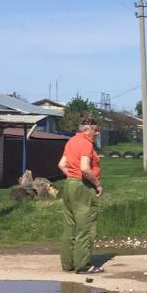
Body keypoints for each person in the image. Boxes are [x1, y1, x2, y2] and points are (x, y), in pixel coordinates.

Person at [58, 116, 104, 274]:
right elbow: (85, 168)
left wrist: (72, 176)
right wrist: (97, 184)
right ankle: (83, 265)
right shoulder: (86, 143)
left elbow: (61, 164)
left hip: (70, 184)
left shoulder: (71, 141)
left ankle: (68, 263)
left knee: (70, 225)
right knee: (85, 226)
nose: (97, 133)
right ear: (88, 130)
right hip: (82, 186)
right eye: (96, 130)